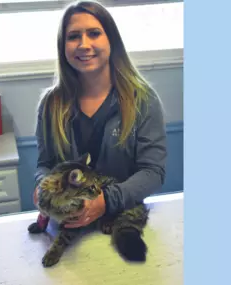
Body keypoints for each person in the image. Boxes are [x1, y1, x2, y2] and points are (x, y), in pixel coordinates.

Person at [30, 0, 167, 231]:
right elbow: (45, 165)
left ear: (111, 40)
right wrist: (42, 187)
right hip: (67, 227)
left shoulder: (143, 100)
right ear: (63, 47)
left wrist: (106, 201)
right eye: (73, 36)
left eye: (94, 33)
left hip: (123, 223)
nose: (84, 44)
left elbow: (152, 172)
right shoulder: (51, 104)